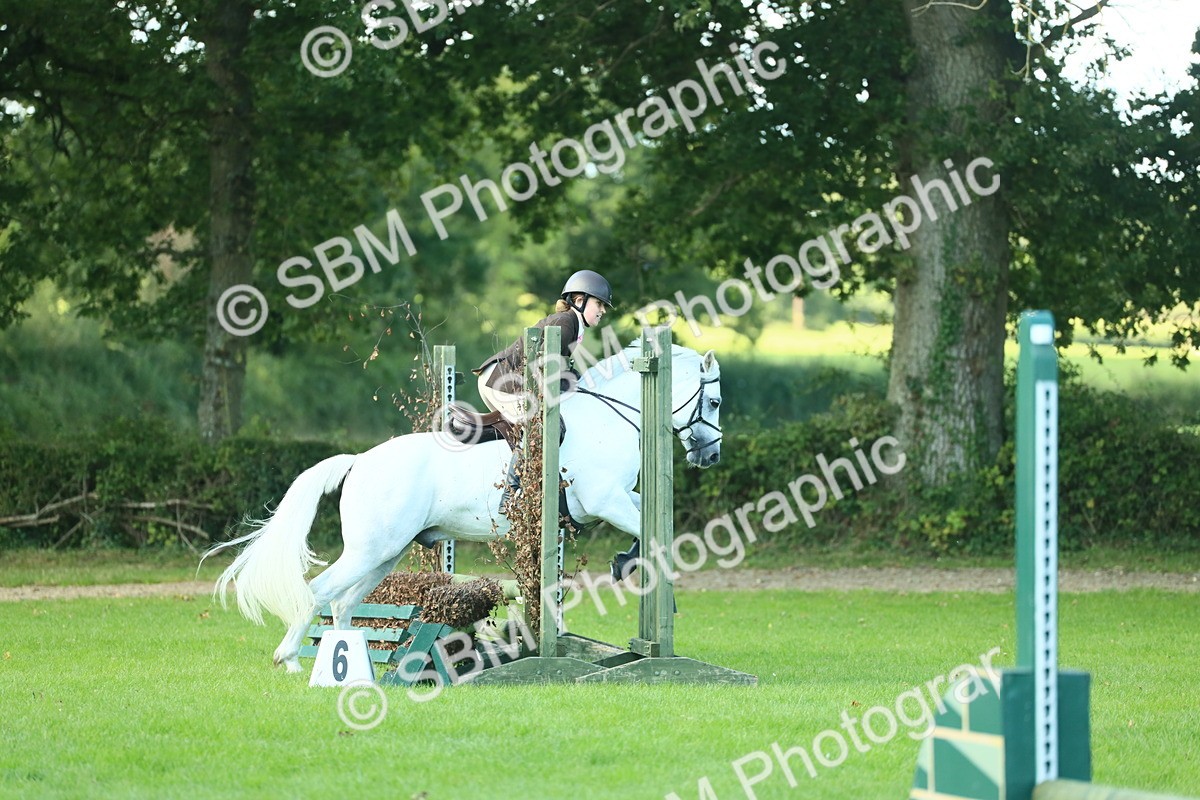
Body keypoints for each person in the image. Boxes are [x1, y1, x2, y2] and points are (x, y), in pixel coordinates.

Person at [474, 269, 613, 507]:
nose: (602, 311)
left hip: (507, 380)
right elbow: (545, 372)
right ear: (579, 301)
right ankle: (510, 495)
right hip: (501, 381)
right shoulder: (565, 323)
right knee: (546, 426)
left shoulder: (572, 326)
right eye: (599, 304)